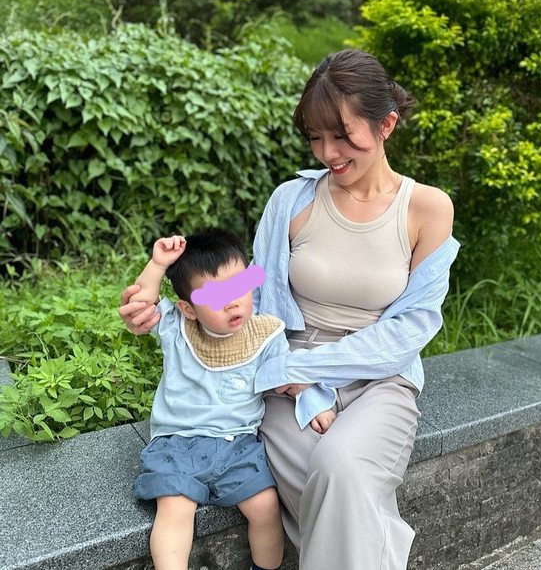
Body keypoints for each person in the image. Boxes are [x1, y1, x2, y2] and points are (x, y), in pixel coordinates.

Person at [120, 49, 459, 570]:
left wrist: (308, 370)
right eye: (315, 137)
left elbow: (414, 324)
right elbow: (254, 283)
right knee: (324, 485)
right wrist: (174, 307)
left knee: (342, 468)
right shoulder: (292, 200)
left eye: (342, 136)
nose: (328, 153)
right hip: (283, 375)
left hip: (378, 377)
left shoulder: (427, 208)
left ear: (386, 124)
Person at [127, 228, 336, 570]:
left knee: (266, 506)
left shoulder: (265, 333)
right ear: (189, 309)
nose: (232, 302)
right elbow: (140, 304)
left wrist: (313, 401)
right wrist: (158, 264)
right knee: (175, 509)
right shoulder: (177, 327)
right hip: (178, 443)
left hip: (238, 445)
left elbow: (286, 374)